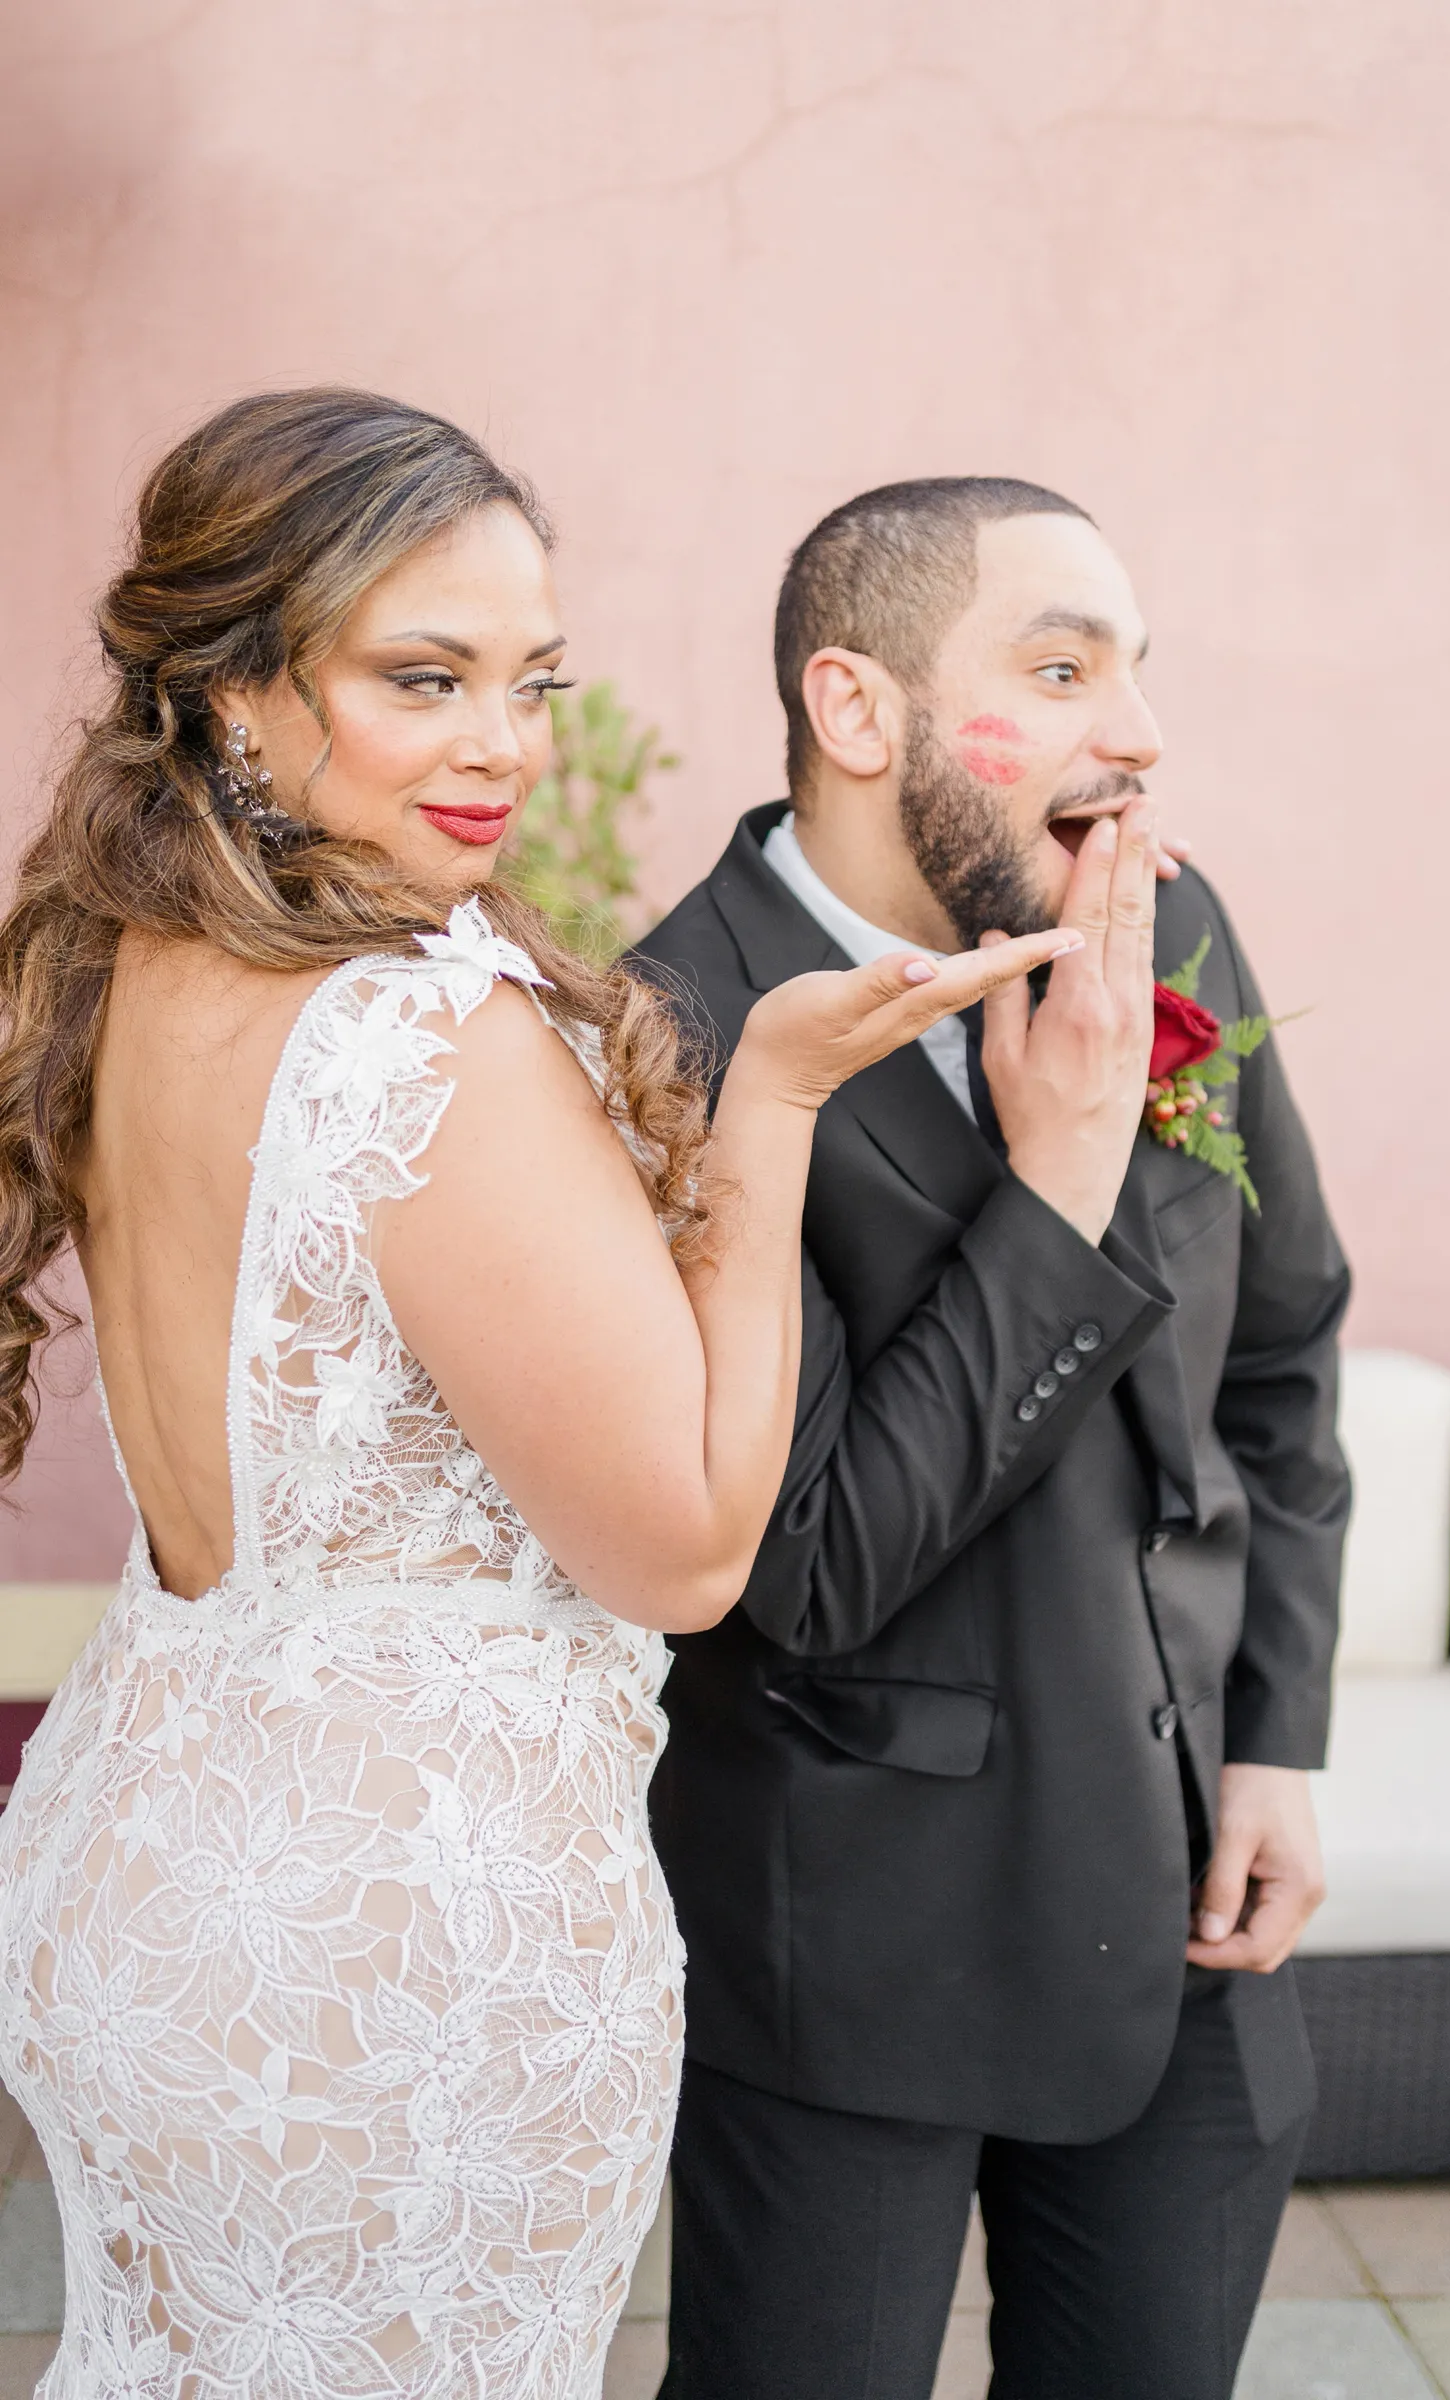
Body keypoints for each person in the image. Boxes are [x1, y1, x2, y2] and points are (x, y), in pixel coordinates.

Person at [0, 400, 1072, 2400]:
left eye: (533, 682)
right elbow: (687, 1548)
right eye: (425, 680)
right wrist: (771, 1099)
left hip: (143, 1851)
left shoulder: (130, 966)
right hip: (394, 1933)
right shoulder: (430, 1036)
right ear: (232, 689)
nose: (505, 744)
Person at [633, 478, 1352, 2400]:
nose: (1140, 731)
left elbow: (1282, 1356)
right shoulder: (668, 1030)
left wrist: (1274, 1738)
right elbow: (805, 1564)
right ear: (857, 709)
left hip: (1189, 1915)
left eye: (1136, 666)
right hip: (854, 1950)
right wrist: (1057, 1185)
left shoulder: (1169, 921)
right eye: (1060, 669)